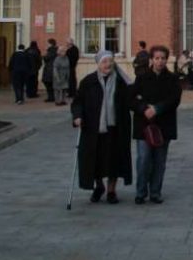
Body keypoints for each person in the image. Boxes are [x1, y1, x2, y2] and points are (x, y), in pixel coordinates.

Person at [71, 50, 133, 204]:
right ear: (98, 64)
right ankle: (99, 186)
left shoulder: (120, 82)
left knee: (114, 160)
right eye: (105, 62)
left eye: (110, 61)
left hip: (116, 128)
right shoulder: (88, 81)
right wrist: (78, 116)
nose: (108, 64)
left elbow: (131, 99)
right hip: (93, 128)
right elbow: (78, 102)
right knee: (95, 160)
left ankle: (111, 190)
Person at [129, 44, 182, 204]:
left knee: (160, 160)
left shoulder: (172, 79)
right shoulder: (142, 78)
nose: (160, 61)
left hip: (163, 124)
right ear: (151, 60)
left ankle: (155, 192)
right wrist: (144, 108)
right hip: (144, 124)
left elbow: (174, 99)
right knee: (143, 158)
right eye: (157, 58)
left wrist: (157, 108)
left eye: (163, 58)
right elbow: (131, 98)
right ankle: (140, 191)